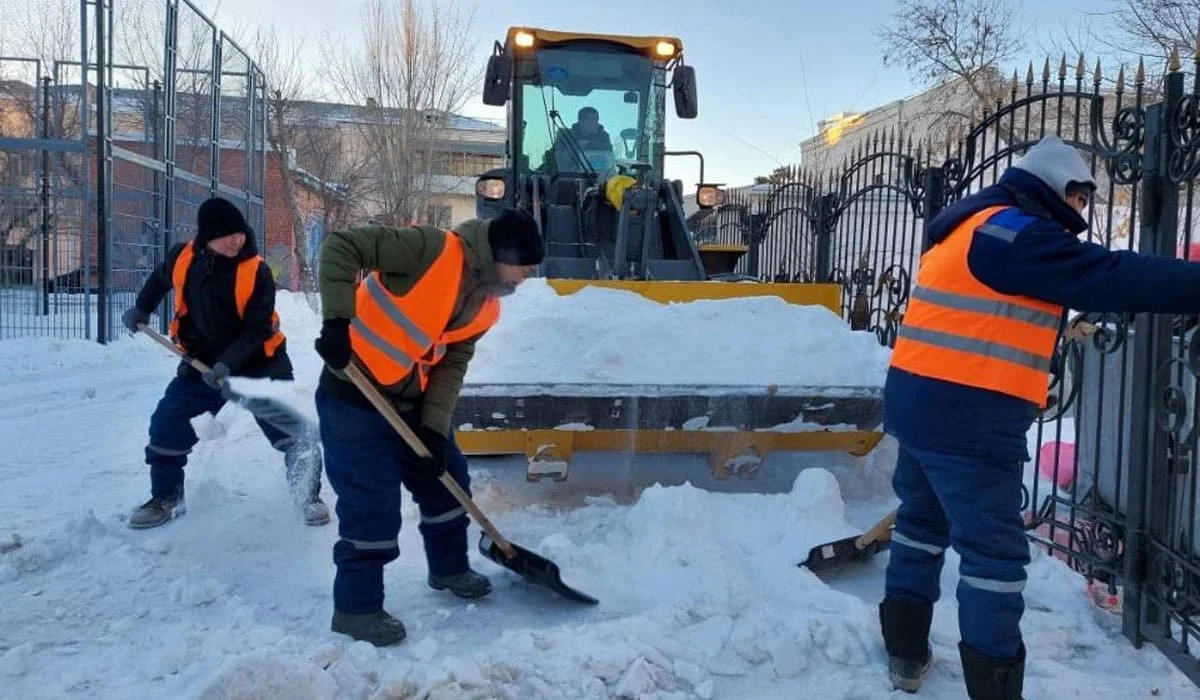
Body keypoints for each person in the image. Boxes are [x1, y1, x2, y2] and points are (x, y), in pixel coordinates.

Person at [879, 134, 1200, 699]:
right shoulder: (1013, 234)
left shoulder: (966, 227)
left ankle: (905, 654)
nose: (1080, 215)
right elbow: (1111, 273)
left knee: (920, 527)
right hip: (970, 420)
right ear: (1063, 190)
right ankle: (995, 685)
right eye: (1080, 202)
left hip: (917, 404)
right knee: (993, 559)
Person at [311, 208, 543, 647]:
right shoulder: (430, 249)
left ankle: (450, 567)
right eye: (525, 266)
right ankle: (356, 609)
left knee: (447, 478)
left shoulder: (486, 306)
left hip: (412, 402)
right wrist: (337, 323)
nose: (527, 276)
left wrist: (434, 430)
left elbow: (451, 365)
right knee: (371, 504)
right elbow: (342, 246)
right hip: (354, 395)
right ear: (501, 253)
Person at [121, 197, 330, 530]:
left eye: (239, 233)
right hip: (201, 360)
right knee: (167, 426)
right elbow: (160, 279)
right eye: (226, 235)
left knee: (293, 433)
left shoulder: (256, 270)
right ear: (207, 237)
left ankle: (308, 494)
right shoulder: (182, 256)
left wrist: (228, 364)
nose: (236, 240)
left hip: (261, 363)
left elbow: (258, 329)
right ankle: (167, 497)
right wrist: (141, 308)